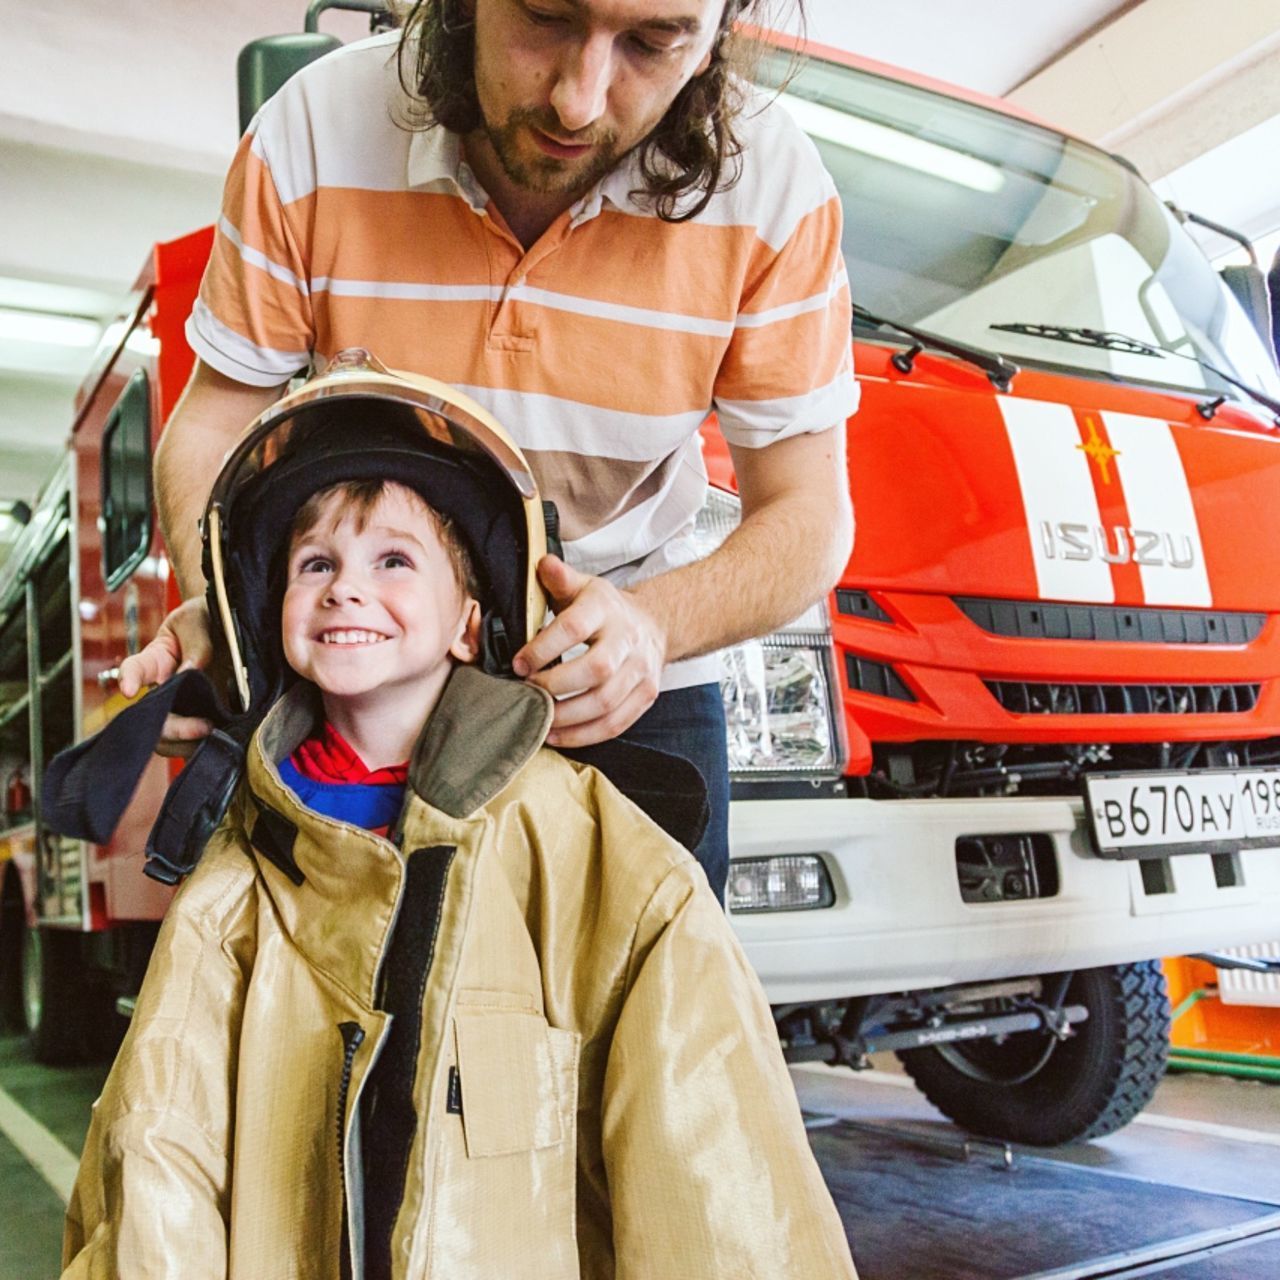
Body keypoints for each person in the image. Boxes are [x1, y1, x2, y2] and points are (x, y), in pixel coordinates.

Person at [59, 358, 858, 1279]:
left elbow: (720, 1185)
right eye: (313, 562)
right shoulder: (242, 869)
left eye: (393, 560)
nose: (343, 588)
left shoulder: (601, 865)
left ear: (470, 624)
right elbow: (159, 1140)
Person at [120, 0, 857, 902]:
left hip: (631, 685)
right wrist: (228, 612)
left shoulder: (779, 189)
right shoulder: (310, 132)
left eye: (652, 42)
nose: (579, 101)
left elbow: (809, 514)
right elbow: (211, 423)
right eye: (545, 17)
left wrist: (653, 628)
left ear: (717, 32)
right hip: (371, 680)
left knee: (648, 1019)